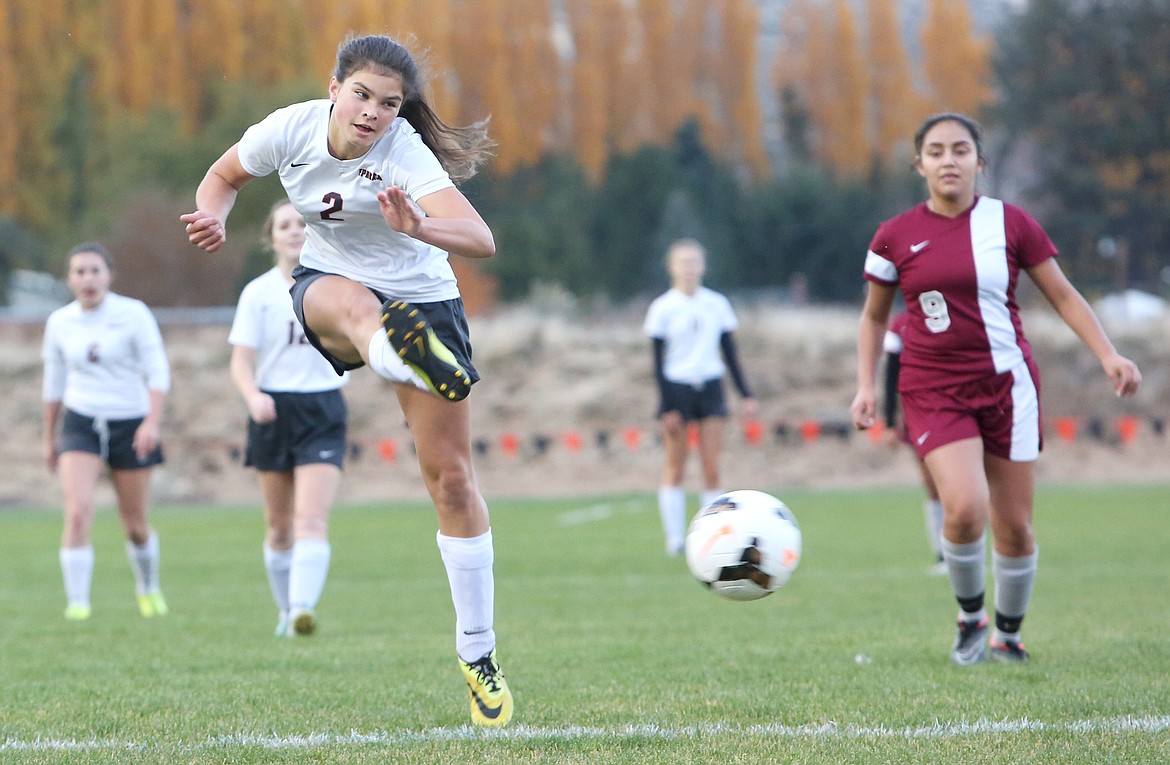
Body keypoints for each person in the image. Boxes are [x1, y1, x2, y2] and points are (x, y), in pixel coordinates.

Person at [180, 35, 511, 726]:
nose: (372, 112)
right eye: (362, 94)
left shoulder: (405, 155)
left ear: (400, 111)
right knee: (359, 309)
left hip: (423, 295)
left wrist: (420, 225)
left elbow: (480, 239)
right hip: (332, 286)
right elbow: (223, 176)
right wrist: (212, 214)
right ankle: (396, 353)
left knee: (450, 480)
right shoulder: (289, 128)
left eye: (389, 104)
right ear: (334, 87)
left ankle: (478, 655)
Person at [849, 113, 1142, 666]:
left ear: (979, 163)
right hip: (932, 387)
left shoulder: (1011, 224)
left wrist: (1108, 354)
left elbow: (1062, 295)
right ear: (920, 165)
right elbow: (871, 319)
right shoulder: (894, 236)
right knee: (963, 509)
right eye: (935, 151)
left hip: (1009, 386)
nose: (949, 160)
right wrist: (866, 386)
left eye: (961, 150)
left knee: (1015, 526)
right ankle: (970, 620)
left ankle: (1009, 635)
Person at [229, 199, 349, 638]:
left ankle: (302, 608)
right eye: (285, 225)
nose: (295, 231)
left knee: (311, 519)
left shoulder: (337, 284)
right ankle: (284, 610)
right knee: (279, 528)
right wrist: (253, 396)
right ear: (271, 237)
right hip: (273, 409)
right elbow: (241, 362)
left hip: (323, 406)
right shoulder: (257, 294)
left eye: (302, 223)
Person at [41, 242, 171, 621]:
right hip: (80, 422)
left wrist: (151, 422)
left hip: (130, 423)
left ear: (109, 275)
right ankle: (78, 604)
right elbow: (54, 384)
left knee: (134, 525)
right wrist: (49, 438)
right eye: (79, 271)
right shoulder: (60, 323)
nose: (88, 278)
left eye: (95, 270)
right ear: (69, 279)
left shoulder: (133, 314)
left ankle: (148, 589)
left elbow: (157, 371)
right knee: (78, 511)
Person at [643, 238, 757, 556]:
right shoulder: (662, 308)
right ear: (672, 267)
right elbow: (657, 361)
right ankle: (675, 539)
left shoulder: (717, 304)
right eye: (683, 262)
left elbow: (730, 352)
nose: (690, 268)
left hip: (710, 387)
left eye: (695, 261)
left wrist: (746, 393)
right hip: (677, 388)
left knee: (711, 466)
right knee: (676, 465)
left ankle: (712, 535)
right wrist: (666, 405)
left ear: (702, 266)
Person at [881, 310, 945, 574]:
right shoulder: (900, 325)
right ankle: (943, 555)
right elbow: (890, 373)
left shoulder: (950, 314)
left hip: (955, 408)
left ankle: (972, 547)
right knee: (933, 487)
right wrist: (888, 421)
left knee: (964, 486)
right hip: (917, 414)